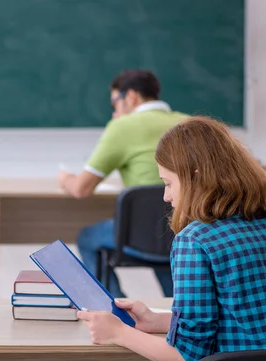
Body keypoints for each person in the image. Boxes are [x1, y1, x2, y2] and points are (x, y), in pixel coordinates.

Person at [77, 116, 266, 361]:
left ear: (195, 176)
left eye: (168, 183)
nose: (165, 196)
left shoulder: (194, 240)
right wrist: (160, 320)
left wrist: (118, 334)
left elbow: (187, 356)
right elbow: (240, 316)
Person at [58, 69, 188, 298]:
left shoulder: (122, 127)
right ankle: (179, 307)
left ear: (131, 97)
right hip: (186, 228)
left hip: (143, 232)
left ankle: (114, 307)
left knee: (88, 238)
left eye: (114, 103)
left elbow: (81, 188)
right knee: (168, 241)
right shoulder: (189, 123)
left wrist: (65, 178)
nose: (114, 111)